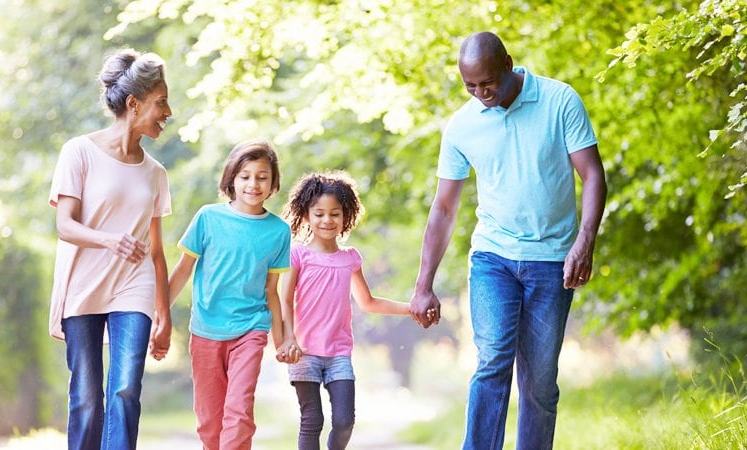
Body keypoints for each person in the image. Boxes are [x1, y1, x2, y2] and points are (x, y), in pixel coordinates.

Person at [409, 31, 607, 450]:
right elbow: (443, 209)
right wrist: (423, 284)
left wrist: (585, 239)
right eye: (471, 86)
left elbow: (591, 174)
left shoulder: (559, 100)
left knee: (538, 379)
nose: (481, 93)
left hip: (553, 259)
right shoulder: (462, 125)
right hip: (493, 257)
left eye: (488, 83)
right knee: (492, 360)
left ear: (508, 64)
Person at [48, 48, 174, 450]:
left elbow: (155, 249)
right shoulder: (78, 151)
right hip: (83, 283)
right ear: (134, 104)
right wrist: (109, 239)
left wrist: (164, 315)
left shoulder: (156, 172)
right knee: (86, 399)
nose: (168, 111)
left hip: (132, 287)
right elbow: (64, 225)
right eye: (161, 102)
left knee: (124, 389)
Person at [167, 140, 298, 450]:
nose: (253, 184)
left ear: (272, 183)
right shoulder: (208, 218)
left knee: (238, 412)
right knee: (210, 423)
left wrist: (282, 340)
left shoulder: (279, 231)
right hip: (206, 329)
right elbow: (183, 270)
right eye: (245, 176)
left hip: (251, 329)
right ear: (231, 179)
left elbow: (271, 290)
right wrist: (159, 317)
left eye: (262, 177)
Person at [279, 170, 413, 450]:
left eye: (334, 214)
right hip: (304, 352)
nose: (327, 220)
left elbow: (369, 302)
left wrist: (411, 309)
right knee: (312, 420)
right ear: (306, 216)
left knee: (344, 421)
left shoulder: (350, 258)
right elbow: (285, 300)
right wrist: (287, 339)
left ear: (346, 216)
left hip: (339, 352)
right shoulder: (298, 255)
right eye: (319, 214)